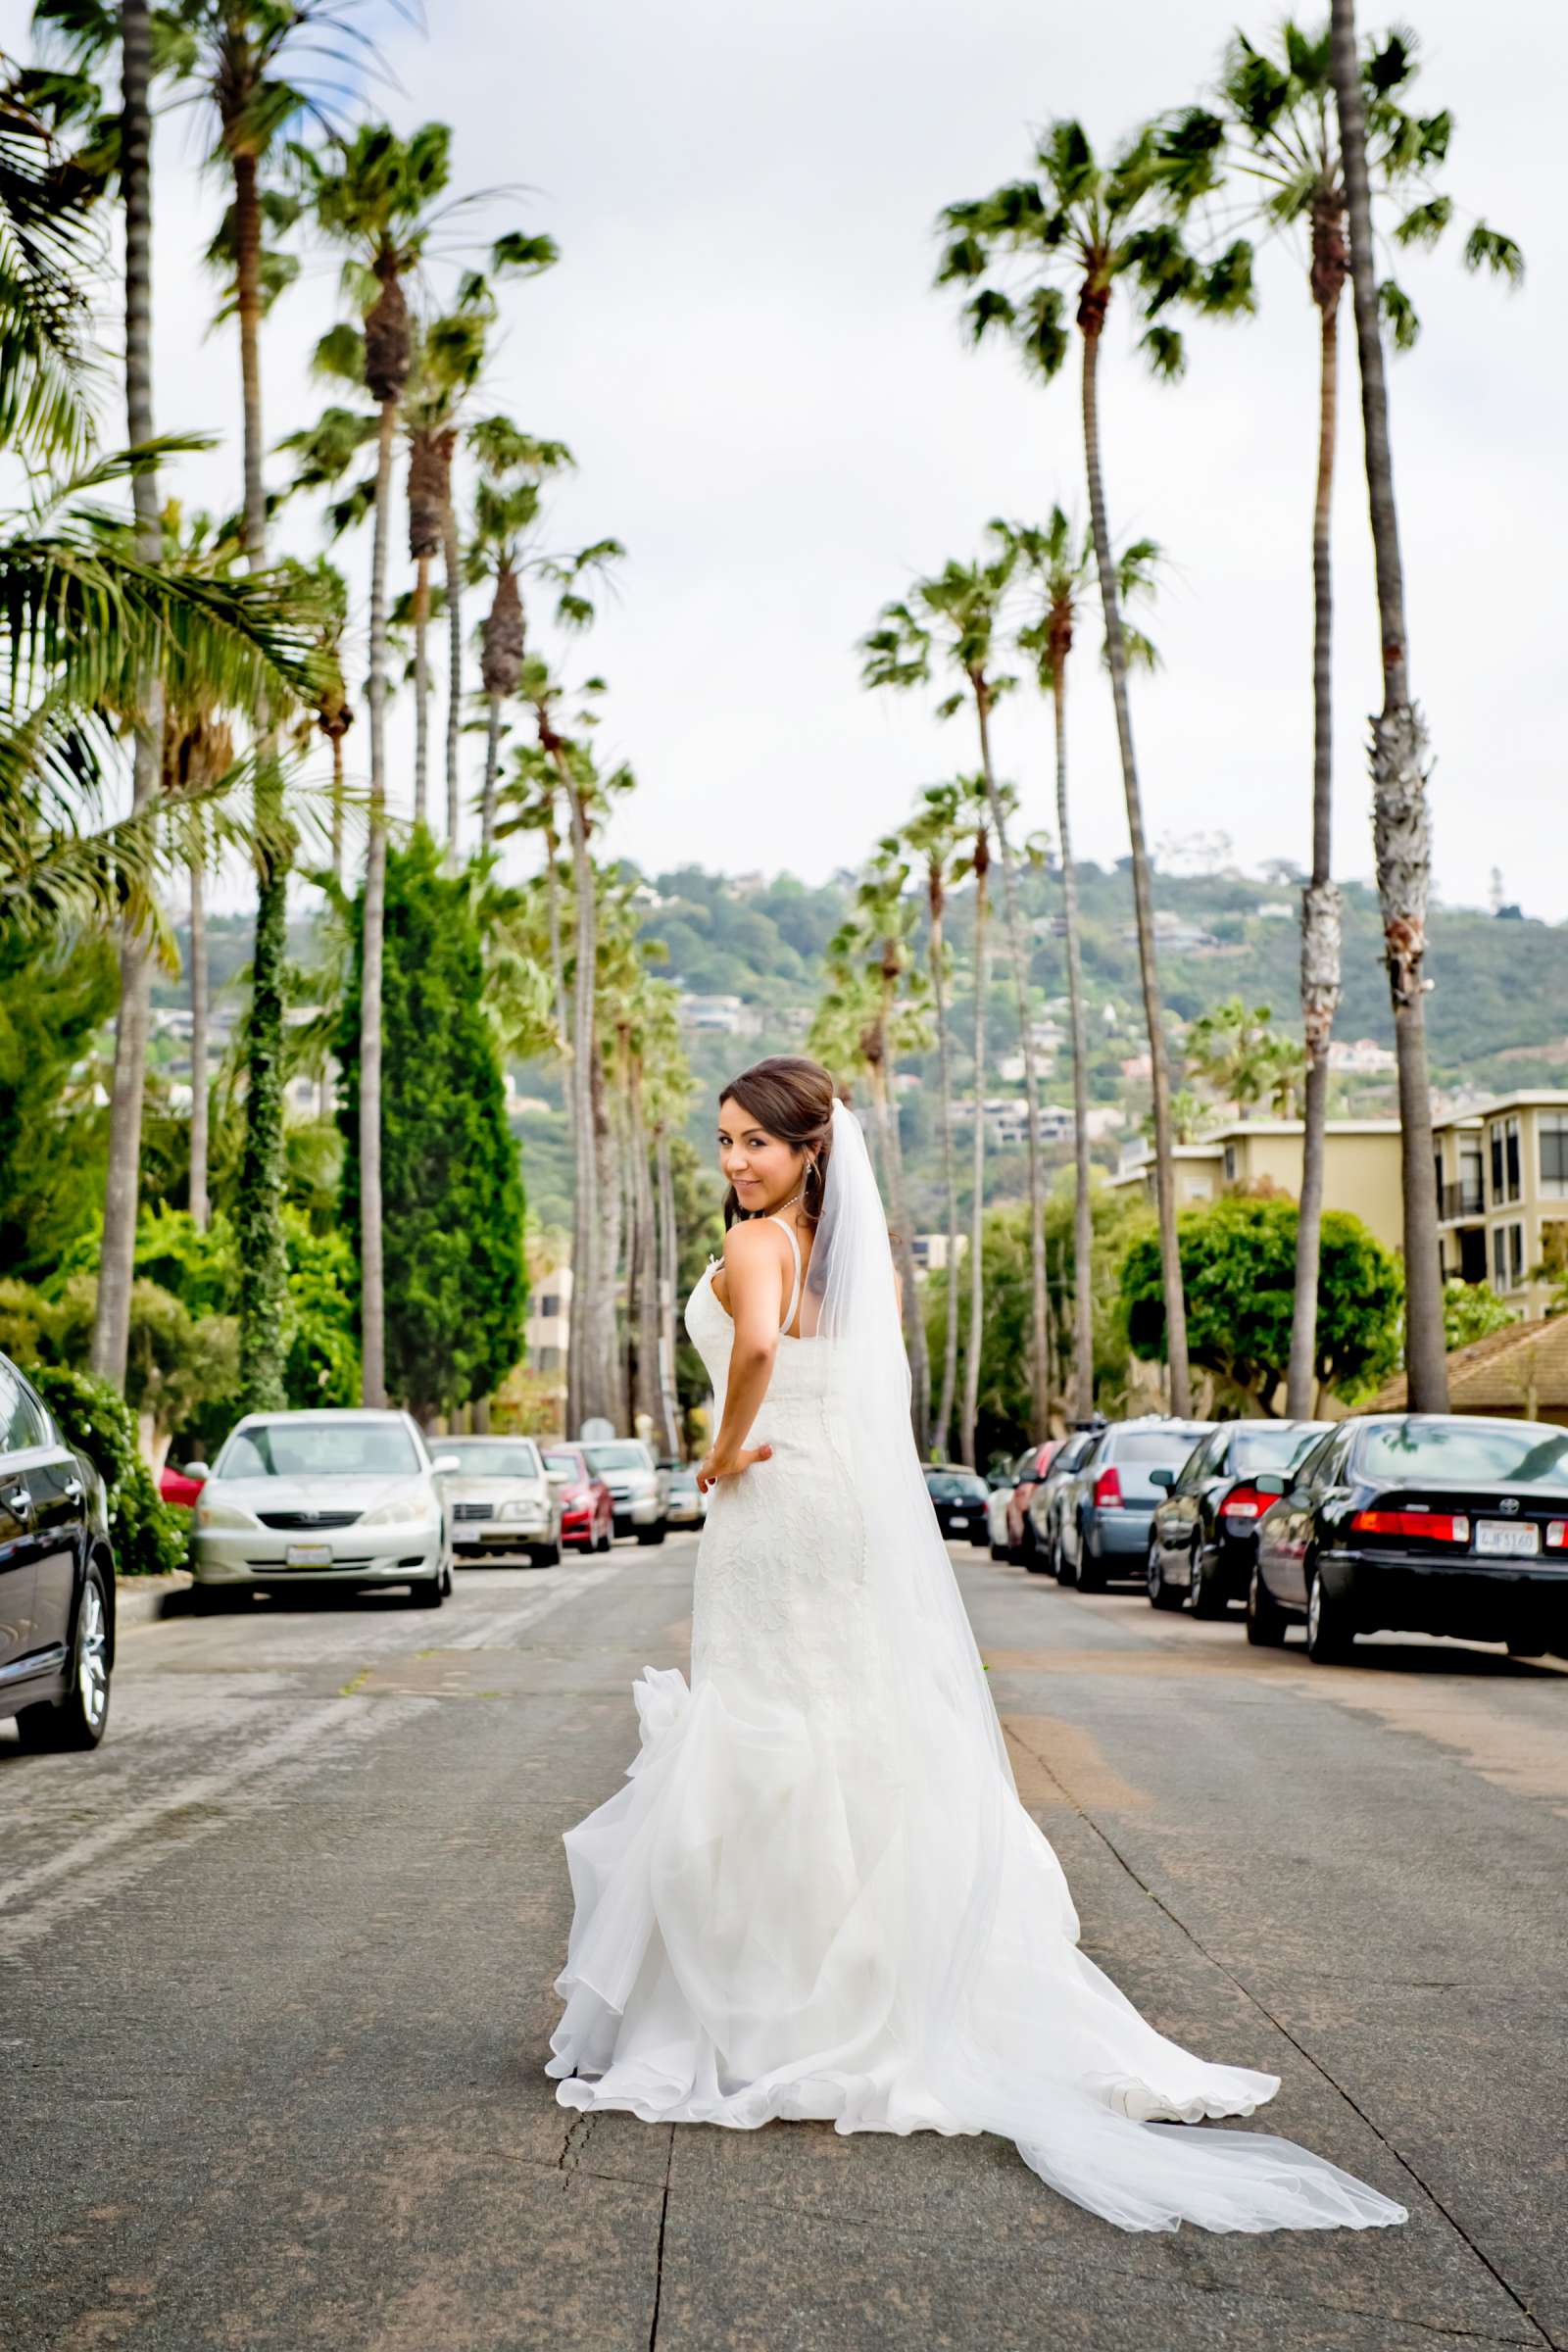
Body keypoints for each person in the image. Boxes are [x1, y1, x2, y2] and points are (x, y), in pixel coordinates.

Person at [547, 1055, 1405, 2235]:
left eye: (755, 1142)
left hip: (775, 1504)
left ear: (809, 1153)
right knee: (844, 1720)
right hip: (842, 1505)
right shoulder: (852, 1264)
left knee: (772, 1720)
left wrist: (722, 1451)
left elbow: (752, 1352)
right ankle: (877, 1990)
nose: (736, 1162)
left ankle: (771, 2007)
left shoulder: (757, 1247)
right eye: (724, 1141)